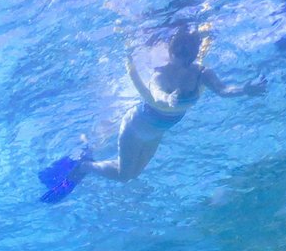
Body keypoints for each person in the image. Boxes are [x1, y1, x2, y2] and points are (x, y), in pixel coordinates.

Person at [38, 23, 265, 203]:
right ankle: (84, 166)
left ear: (195, 52)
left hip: (156, 133)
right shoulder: (161, 72)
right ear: (171, 51)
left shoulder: (202, 72)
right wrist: (168, 98)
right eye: (179, 52)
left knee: (131, 175)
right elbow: (155, 93)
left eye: (189, 53)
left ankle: (87, 161)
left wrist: (246, 89)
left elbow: (223, 90)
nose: (184, 58)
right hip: (135, 126)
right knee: (125, 175)